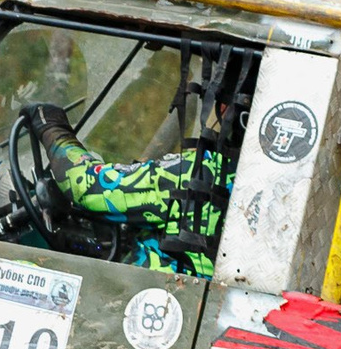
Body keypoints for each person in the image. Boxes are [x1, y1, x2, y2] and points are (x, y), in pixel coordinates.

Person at [25, 101, 238, 276]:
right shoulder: (248, 183)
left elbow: (87, 187)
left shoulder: (204, 171)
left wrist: (51, 126)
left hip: (149, 299)